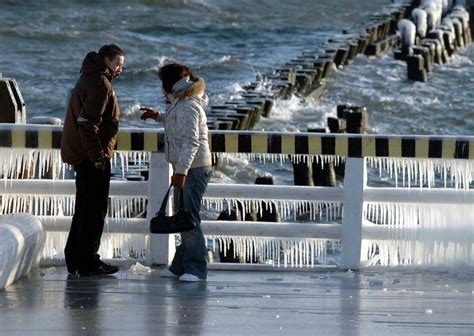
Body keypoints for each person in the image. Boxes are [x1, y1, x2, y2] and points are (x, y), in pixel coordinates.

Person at [140, 63, 212, 282]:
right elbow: (176, 120)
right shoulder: (181, 101)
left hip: (193, 168)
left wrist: (180, 172)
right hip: (186, 168)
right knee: (183, 219)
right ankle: (180, 265)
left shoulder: (188, 105)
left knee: (190, 220)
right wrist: (158, 116)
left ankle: (196, 269)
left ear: (167, 85)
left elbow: (192, 141)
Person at [61, 44, 125, 276]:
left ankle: (75, 258)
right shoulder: (99, 83)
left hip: (82, 154)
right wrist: (98, 158)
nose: (120, 69)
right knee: (94, 210)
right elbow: (87, 122)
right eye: (117, 64)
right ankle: (88, 261)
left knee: (83, 209)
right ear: (106, 61)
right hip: (92, 157)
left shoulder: (87, 77)